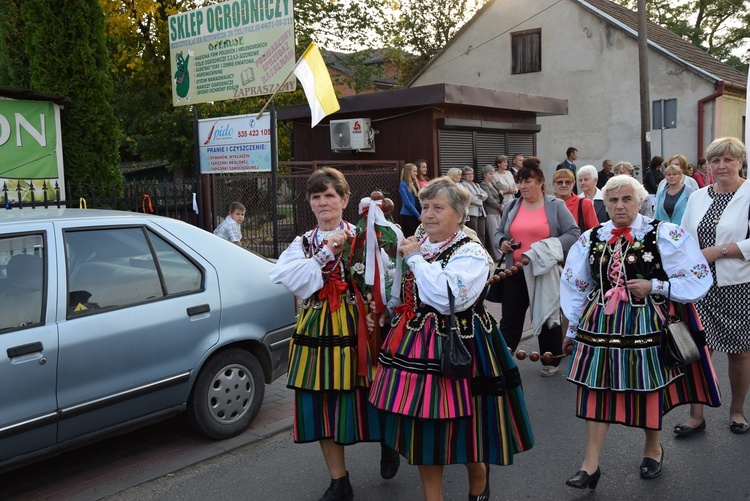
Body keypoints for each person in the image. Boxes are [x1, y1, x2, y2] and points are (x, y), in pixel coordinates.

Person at [369, 177, 534, 501]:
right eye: (425, 207)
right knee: (424, 427)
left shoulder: (470, 251)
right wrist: (390, 309)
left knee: (468, 424)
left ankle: (478, 482)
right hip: (417, 343)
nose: (427, 214)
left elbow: (447, 298)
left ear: (458, 215)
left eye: (437, 207)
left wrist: (415, 258)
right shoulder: (420, 244)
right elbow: (406, 286)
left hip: (464, 343)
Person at [561, 175, 720, 489]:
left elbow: (699, 277)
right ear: (604, 204)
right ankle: (589, 465)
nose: (619, 206)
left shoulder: (665, 234)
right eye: (613, 201)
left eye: (626, 199)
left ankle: (652, 448)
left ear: (640, 201)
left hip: (646, 320)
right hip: (601, 324)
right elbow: (575, 284)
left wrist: (655, 285)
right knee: (597, 387)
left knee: (647, 386)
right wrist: (573, 326)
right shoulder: (591, 237)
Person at [268, 168, 400, 501]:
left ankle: (389, 442)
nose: (323, 202)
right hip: (315, 326)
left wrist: (378, 312)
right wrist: (327, 252)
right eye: (316, 196)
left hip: (359, 324)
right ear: (310, 203)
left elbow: (387, 278)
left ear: (344, 199)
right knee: (320, 401)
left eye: (330, 195)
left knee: (375, 391)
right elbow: (293, 279)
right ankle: (339, 480)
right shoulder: (302, 243)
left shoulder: (365, 235)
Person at [678, 136, 750, 436]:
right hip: (698, 286)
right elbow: (680, 237)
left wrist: (720, 250)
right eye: (715, 160)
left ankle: (736, 411)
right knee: (695, 349)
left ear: (740, 162)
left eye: (728, 160)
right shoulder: (698, 197)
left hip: (736, 285)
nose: (721, 166)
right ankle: (697, 415)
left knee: (739, 351)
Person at [495, 158, 580, 376]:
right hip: (514, 271)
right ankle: (503, 361)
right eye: (520, 182)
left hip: (543, 272)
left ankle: (550, 359)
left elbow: (573, 233)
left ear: (540, 182)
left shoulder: (555, 206)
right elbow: (499, 232)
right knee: (510, 318)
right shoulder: (513, 206)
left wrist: (549, 246)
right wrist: (502, 242)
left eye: (528, 181)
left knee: (547, 315)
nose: (523, 186)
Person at [480, 164, 504, 262]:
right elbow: (489, 199)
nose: (492, 175)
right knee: (493, 233)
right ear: (485, 175)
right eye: (490, 173)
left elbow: (499, 194)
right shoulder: (484, 184)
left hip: (497, 210)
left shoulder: (493, 184)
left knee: (499, 232)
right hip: (490, 211)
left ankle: (501, 254)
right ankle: (497, 255)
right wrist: (499, 206)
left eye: (493, 173)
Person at [461, 166, 488, 248]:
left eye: (471, 173)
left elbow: (485, 194)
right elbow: (470, 198)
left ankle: (483, 251)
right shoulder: (463, 185)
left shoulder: (476, 185)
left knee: (482, 234)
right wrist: (480, 200)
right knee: (474, 233)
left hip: (481, 212)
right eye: (468, 174)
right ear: (463, 176)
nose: (470, 175)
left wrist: (479, 196)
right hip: (472, 212)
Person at [399, 162, 421, 237]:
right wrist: (418, 215)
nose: (416, 173)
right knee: (410, 236)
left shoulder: (416, 184)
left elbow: (419, 200)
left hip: (418, 214)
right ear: (408, 172)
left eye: (416, 171)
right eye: (414, 171)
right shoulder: (403, 184)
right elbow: (407, 202)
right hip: (408, 215)